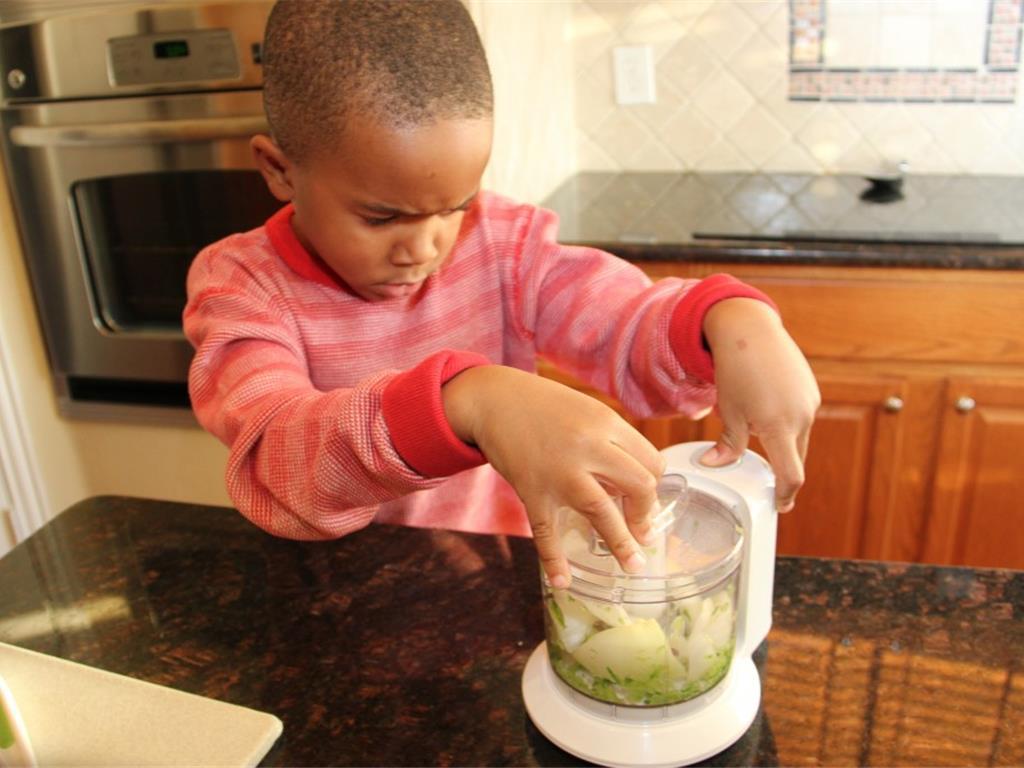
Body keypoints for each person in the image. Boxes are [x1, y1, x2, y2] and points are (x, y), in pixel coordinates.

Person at [184, 0, 820, 589]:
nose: (424, 246)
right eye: (382, 218)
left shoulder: (501, 245)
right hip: (339, 592)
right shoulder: (243, 288)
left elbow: (621, 318)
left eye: (455, 207)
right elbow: (278, 460)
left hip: (496, 575)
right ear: (279, 170)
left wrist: (728, 322)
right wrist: (467, 401)